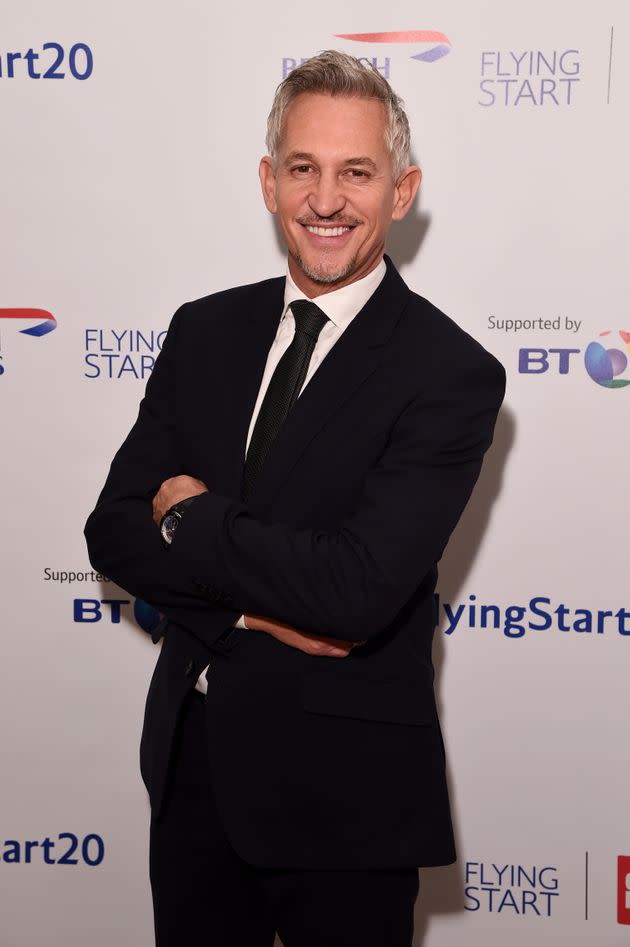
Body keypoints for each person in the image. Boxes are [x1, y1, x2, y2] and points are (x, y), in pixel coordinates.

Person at [85, 50, 505, 947]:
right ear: (270, 182)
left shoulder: (451, 373)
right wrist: (256, 617)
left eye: (357, 172)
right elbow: (114, 532)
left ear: (403, 191)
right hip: (193, 773)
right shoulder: (204, 330)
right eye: (304, 170)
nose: (326, 200)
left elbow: (354, 592)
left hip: (346, 804)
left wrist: (190, 516)